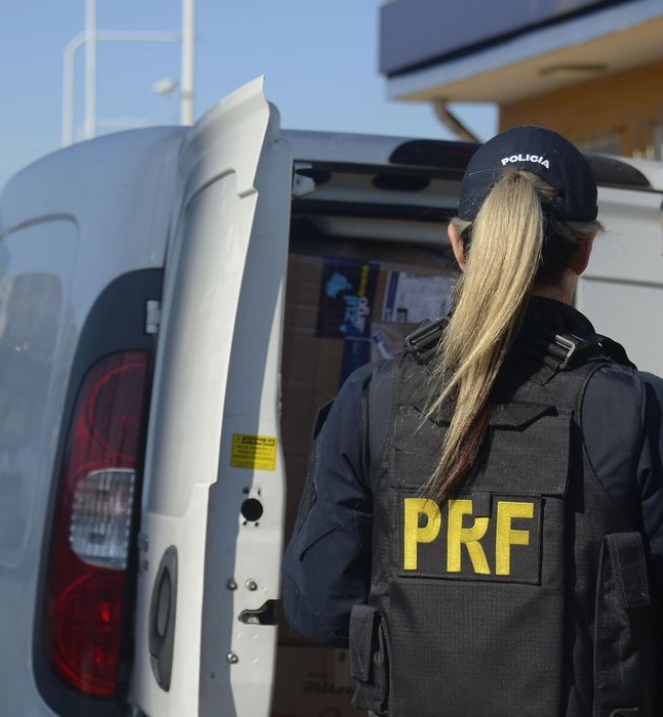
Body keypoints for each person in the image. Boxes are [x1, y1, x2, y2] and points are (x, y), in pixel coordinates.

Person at [281, 126, 663, 717]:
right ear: (584, 252)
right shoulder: (634, 410)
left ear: (459, 244)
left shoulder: (371, 402)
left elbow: (319, 605)